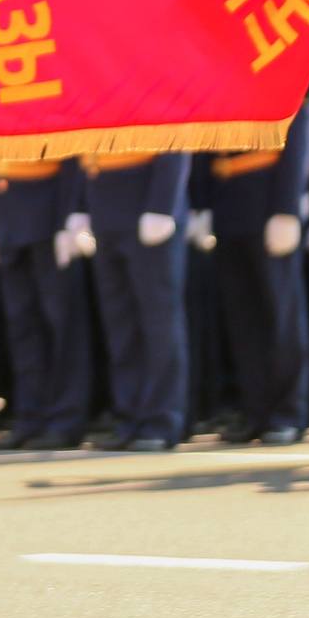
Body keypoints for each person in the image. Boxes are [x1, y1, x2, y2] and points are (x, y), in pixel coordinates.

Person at [197, 105, 309, 445]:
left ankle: (289, 412)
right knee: (243, 319)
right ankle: (256, 410)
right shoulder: (223, 81)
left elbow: (298, 139)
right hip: (229, 204)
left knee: (281, 315)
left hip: (267, 202)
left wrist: (287, 209)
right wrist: (204, 203)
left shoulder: (279, 72)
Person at [0, 159, 93, 450]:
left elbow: (73, 155)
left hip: (49, 214)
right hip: (7, 216)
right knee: (22, 328)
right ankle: (30, 417)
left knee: (62, 325)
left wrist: (71, 215)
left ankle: (66, 419)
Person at [77, 152, 193, 451]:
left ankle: (161, 419)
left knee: (158, 321)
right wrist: (80, 207)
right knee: (121, 324)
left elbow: (175, 135)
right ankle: (130, 416)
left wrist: (162, 204)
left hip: (146, 199)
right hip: (104, 203)